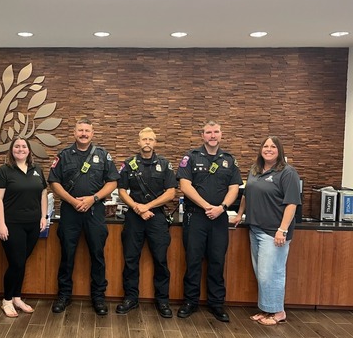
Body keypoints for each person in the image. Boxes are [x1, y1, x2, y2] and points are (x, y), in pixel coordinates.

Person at [48, 118, 120, 315]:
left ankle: (98, 297)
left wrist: (93, 198)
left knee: (97, 255)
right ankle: (64, 295)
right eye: (80, 130)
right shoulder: (63, 155)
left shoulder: (103, 155)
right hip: (70, 212)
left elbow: (113, 182)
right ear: (74, 132)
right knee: (67, 254)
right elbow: (54, 183)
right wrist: (73, 201)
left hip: (95, 211)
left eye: (87, 131)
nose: (83, 133)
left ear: (92, 133)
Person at [176, 120, 242, 322]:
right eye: (208, 132)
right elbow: (185, 186)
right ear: (202, 135)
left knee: (217, 261)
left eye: (216, 132)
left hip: (219, 218)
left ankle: (216, 304)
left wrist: (221, 208)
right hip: (196, 216)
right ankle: (190, 302)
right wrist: (207, 207)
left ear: (221, 134)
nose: (212, 135)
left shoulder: (229, 160)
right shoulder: (191, 157)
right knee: (193, 260)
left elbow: (234, 189)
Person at [233, 136, 301, 326]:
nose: (268, 149)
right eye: (265, 146)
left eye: (273, 146)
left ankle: (278, 312)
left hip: (274, 232)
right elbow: (246, 194)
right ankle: (267, 309)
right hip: (255, 228)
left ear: (279, 150)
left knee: (273, 272)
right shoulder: (255, 170)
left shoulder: (287, 173)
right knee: (262, 273)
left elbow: (292, 204)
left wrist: (282, 230)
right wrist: (239, 214)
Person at [116, 127, 177, 318]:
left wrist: (147, 206)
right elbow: (122, 190)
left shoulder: (165, 165)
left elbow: (171, 192)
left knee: (160, 260)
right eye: (144, 139)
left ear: (155, 142)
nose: (147, 142)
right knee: (131, 259)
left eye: (151, 139)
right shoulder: (128, 164)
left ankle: (162, 301)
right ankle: (130, 298)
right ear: (138, 141)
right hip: (134, 216)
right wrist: (137, 208)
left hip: (157, 217)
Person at [0, 137, 48, 318]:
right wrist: (1, 224)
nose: (20, 149)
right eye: (17, 146)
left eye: (24, 146)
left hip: (33, 224)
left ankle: (17, 297)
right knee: (16, 263)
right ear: (11, 150)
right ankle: (6, 300)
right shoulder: (4, 172)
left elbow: (43, 194)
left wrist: (43, 216)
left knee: (21, 262)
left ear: (29, 150)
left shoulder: (37, 170)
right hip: (12, 225)